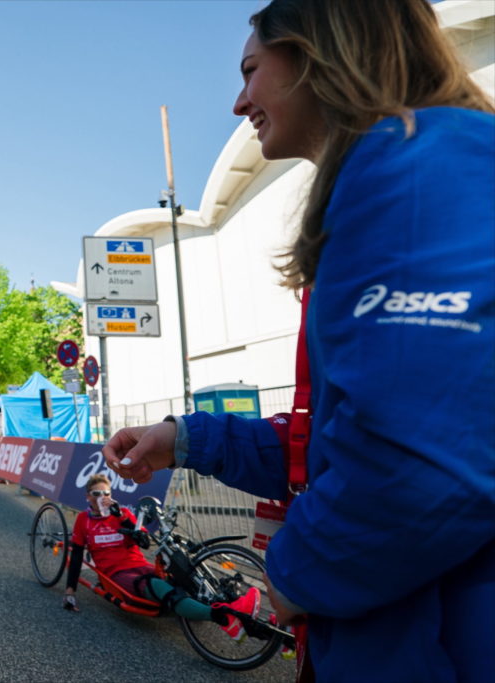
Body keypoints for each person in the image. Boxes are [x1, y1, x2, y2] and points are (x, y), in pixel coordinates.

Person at [104, 2, 494, 681]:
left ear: (316, 52)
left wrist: (299, 572)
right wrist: (183, 437)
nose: (237, 101)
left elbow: (427, 463)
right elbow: (332, 438)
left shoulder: (415, 167)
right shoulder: (406, 170)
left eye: (251, 70)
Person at [62, 475, 260, 639]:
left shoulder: (122, 513)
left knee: (182, 578)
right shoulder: (83, 520)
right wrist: (70, 591)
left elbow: (145, 543)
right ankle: (223, 617)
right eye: (97, 494)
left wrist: (121, 517)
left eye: (107, 493)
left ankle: (244, 612)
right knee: (157, 586)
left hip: (138, 563)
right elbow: (77, 555)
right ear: (88, 497)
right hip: (116, 573)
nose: (102, 497)